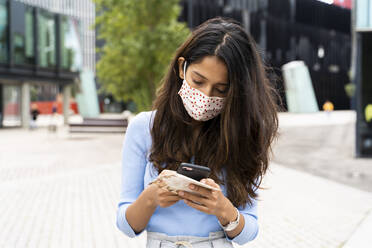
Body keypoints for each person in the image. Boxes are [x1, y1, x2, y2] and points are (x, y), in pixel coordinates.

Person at [116, 17, 279, 248]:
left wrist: (224, 210)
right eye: (198, 81)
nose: (206, 96)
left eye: (221, 90)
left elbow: (249, 230)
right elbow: (126, 225)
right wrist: (152, 197)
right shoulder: (144, 128)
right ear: (182, 68)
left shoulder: (243, 133)